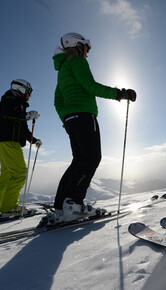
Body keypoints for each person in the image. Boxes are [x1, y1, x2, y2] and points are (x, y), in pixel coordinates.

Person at [49, 32, 136, 224]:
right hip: (85, 115)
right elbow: (90, 86)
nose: (87, 53)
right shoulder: (76, 61)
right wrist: (119, 94)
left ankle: (61, 207)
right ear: (77, 46)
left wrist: (66, 118)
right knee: (91, 158)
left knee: (78, 160)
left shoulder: (62, 68)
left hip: (71, 119)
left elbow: (57, 100)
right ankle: (74, 205)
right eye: (86, 49)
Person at [0, 79, 42, 214]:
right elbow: (7, 114)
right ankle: (9, 207)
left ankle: (2, 205)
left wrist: (34, 140)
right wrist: (27, 115)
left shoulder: (19, 105)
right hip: (9, 141)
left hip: (5, 142)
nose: (30, 95)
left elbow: (23, 129)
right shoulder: (8, 100)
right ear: (21, 89)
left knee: (7, 175)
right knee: (19, 173)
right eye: (29, 91)